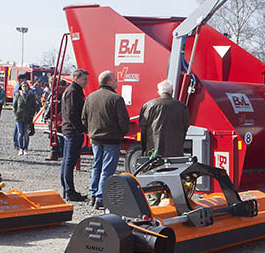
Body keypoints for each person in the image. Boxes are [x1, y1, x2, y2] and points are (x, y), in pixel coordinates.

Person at [81, 70, 129, 208]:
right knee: (107, 169)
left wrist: (90, 131)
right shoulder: (116, 98)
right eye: (115, 79)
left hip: (96, 138)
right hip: (111, 139)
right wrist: (121, 133)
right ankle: (100, 197)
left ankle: (93, 194)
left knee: (97, 166)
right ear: (109, 82)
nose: (117, 82)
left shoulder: (90, 97)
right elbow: (123, 121)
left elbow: (83, 118)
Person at [138, 80, 190, 158]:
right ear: (172, 91)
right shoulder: (182, 107)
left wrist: (144, 146)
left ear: (159, 91)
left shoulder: (149, 105)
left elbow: (143, 127)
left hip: (154, 147)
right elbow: (185, 126)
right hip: (175, 148)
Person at [60, 68, 89, 202]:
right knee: (69, 163)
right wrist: (80, 128)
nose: (86, 82)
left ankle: (67, 190)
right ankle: (69, 191)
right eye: (84, 79)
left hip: (70, 130)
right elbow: (72, 113)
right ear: (76, 78)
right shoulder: (73, 91)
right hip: (72, 131)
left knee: (67, 162)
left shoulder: (74, 91)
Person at [12, 81, 39, 155]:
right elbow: (14, 106)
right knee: (20, 133)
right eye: (23, 86)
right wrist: (16, 114)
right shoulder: (18, 95)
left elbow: (34, 106)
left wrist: (32, 114)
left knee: (26, 134)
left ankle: (25, 148)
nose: (25, 88)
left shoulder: (31, 96)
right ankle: (20, 148)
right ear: (21, 87)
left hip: (28, 117)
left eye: (26, 86)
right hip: (19, 117)